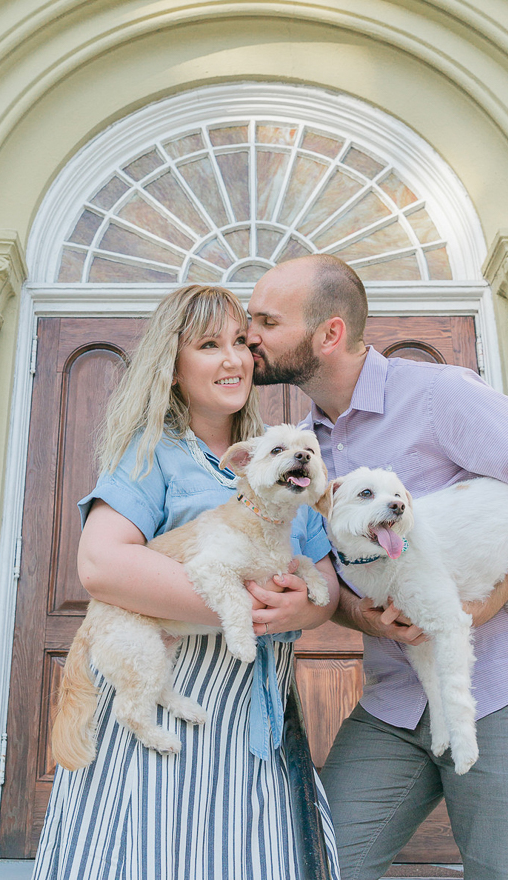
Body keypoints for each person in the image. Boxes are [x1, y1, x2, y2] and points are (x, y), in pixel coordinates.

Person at [247, 254, 508, 880]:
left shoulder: (441, 396)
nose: (250, 334)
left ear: (329, 333)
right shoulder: (308, 448)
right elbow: (342, 579)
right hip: (396, 704)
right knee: (315, 865)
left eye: (266, 320)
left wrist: (486, 603)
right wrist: (365, 614)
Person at [32, 284, 341, 880]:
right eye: (208, 345)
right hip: (171, 683)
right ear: (172, 369)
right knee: (154, 850)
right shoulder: (153, 456)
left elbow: (320, 577)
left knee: (241, 853)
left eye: (241, 344)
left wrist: (301, 606)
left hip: (254, 707)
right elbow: (102, 565)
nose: (233, 360)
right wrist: (249, 605)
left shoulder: (281, 457)